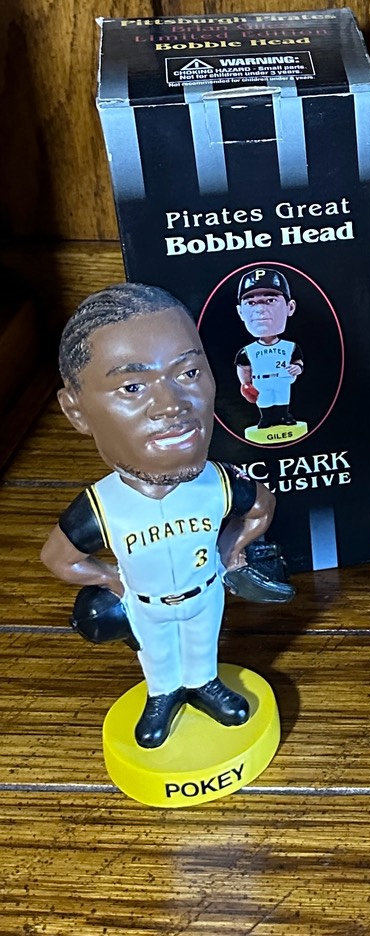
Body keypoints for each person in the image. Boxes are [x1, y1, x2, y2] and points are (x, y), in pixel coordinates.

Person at [40, 284, 277, 749]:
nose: (172, 405)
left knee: (202, 647)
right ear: (76, 411)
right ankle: (162, 696)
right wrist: (110, 580)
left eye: (189, 372)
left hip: (205, 592)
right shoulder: (104, 505)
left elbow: (261, 506)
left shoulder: (218, 483)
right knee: (159, 659)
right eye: (133, 387)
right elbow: (59, 558)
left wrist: (231, 552)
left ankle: (205, 685)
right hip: (147, 604)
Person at [235, 268, 304, 430]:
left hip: (282, 379)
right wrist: (245, 384)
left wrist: (298, 367)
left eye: (270, 300)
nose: (260, 309)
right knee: (265, 401)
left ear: (290, 307)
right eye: (251, 303)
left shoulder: (290, 346)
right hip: (261, 381)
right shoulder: (248, 350)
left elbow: (298, 361)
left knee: (282, 400)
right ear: (240, 312)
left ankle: (284, 416)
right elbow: (244, 368)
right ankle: (266, 419)